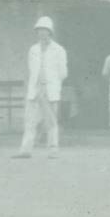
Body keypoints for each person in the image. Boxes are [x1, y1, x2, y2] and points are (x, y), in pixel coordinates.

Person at [13, 17, 69, 158]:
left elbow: (63, 72)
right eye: (39, 30)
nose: (42, 33)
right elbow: (31, 69)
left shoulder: (59, 50)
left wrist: (52, 83)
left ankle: (53, 149)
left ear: (50, 32)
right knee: (30, 120)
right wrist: (35, 85)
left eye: (45, 30)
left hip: (50, 89)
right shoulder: (33, 49)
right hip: (35, 89)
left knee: (51, 121)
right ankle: (26, 149)